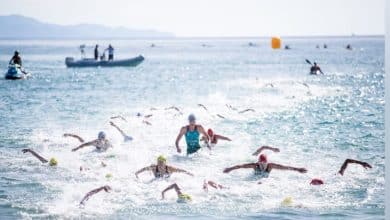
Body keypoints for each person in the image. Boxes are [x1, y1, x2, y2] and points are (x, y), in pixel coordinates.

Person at [223, 154, 307, 177]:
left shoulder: (270, 166)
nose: (262, 164)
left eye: (264, 163)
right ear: (258, 162)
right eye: (261, 163)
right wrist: (230, 169)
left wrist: (298, 169)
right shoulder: (255, 165)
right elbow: (240, 166)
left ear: (267, 162)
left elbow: (285, 167)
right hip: (254, 178)